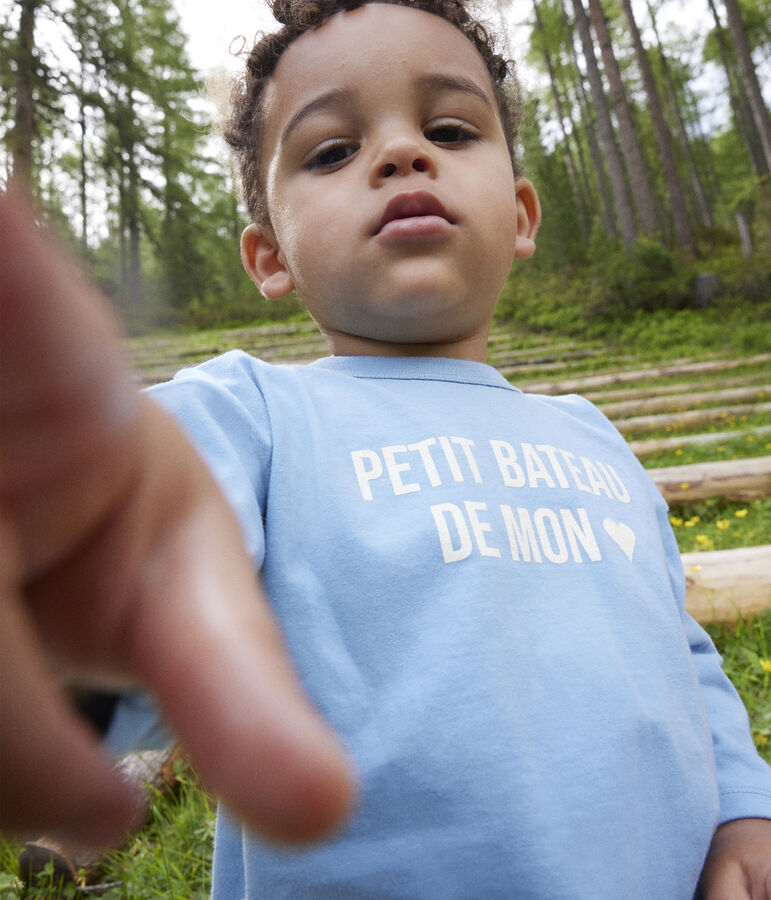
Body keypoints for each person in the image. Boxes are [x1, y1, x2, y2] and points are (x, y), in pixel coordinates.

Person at [1, 0, 770, 896]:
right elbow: (140, 528)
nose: (403, 154)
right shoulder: (252, 416)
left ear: (521, 215)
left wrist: (742, 804)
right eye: (331, 150)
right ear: (268, 256)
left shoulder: (591, 435)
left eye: (449, 128)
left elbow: (675, 645)